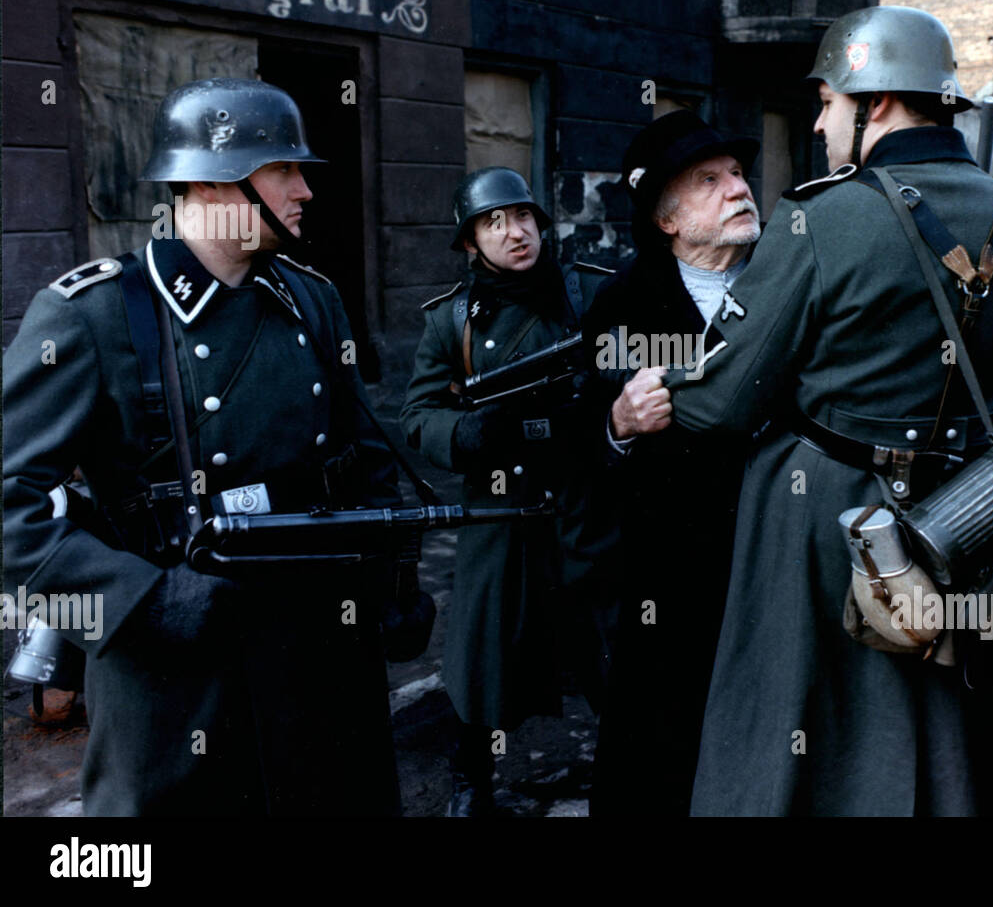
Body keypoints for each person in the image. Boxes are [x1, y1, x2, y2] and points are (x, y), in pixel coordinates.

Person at [656, 6, 993, 816]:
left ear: (872, 103)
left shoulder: (821, 216)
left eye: (826, 101)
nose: (818, 120)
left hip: (821, 514)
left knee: (794, 720)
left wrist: (663, 392)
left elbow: (723, 403)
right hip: (965, 510)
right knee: (931, 709)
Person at [2, 77, 404, 815]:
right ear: (212, 182)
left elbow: (364, 450)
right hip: (178, 676)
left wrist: (397, 572)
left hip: (321, 656)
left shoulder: (312, 297)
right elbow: (11, 507)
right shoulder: (93, 314)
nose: (305, 190)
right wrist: (147, 599)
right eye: (283, 169)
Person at [399, 167, 610, 816]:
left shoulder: (590, 292)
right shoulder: (451, 320)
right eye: (494, 223)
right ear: (470, 243)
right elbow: (416, 418)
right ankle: (472, 786)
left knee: (607, 647)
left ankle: (629, 772)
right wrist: (469, 432)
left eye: (522, 218)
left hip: (585, 502)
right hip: (499, 506)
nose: (514, 232)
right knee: (478, 657)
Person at [584, 110, 759, 816]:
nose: (738, 189)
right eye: (709, 181)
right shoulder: (623, 305)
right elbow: (581, 444)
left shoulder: (795, 280)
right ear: (666, 219)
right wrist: (618, 424)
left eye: (739, 174)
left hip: (775, 555)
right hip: (670, 575)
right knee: (661, 752)